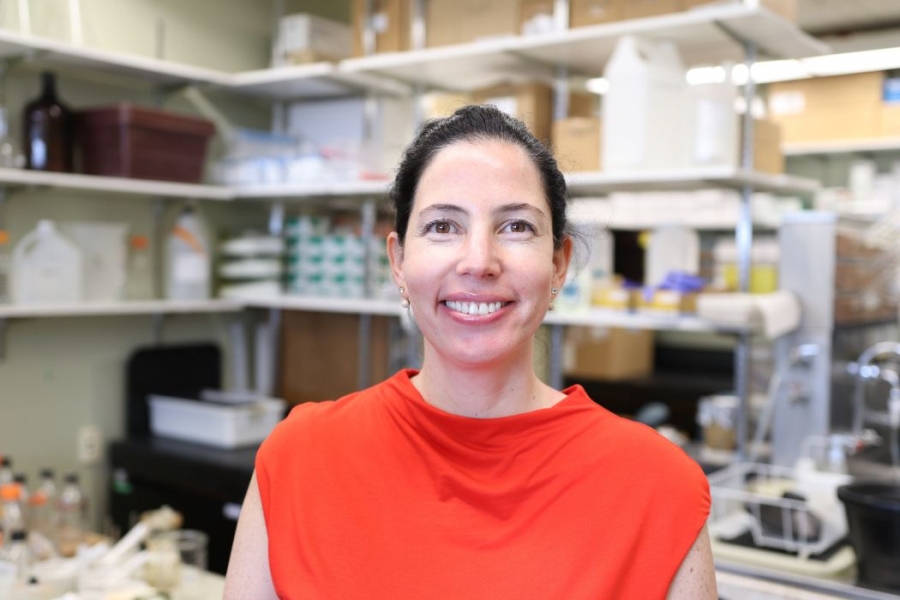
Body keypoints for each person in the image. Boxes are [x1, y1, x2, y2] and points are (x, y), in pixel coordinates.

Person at [223, 105, 716, 599]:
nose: (479, 262)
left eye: (516, 227)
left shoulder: (660, 488)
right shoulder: (296, 460)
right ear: (398, 262)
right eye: (443, 226)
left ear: (559, 265)